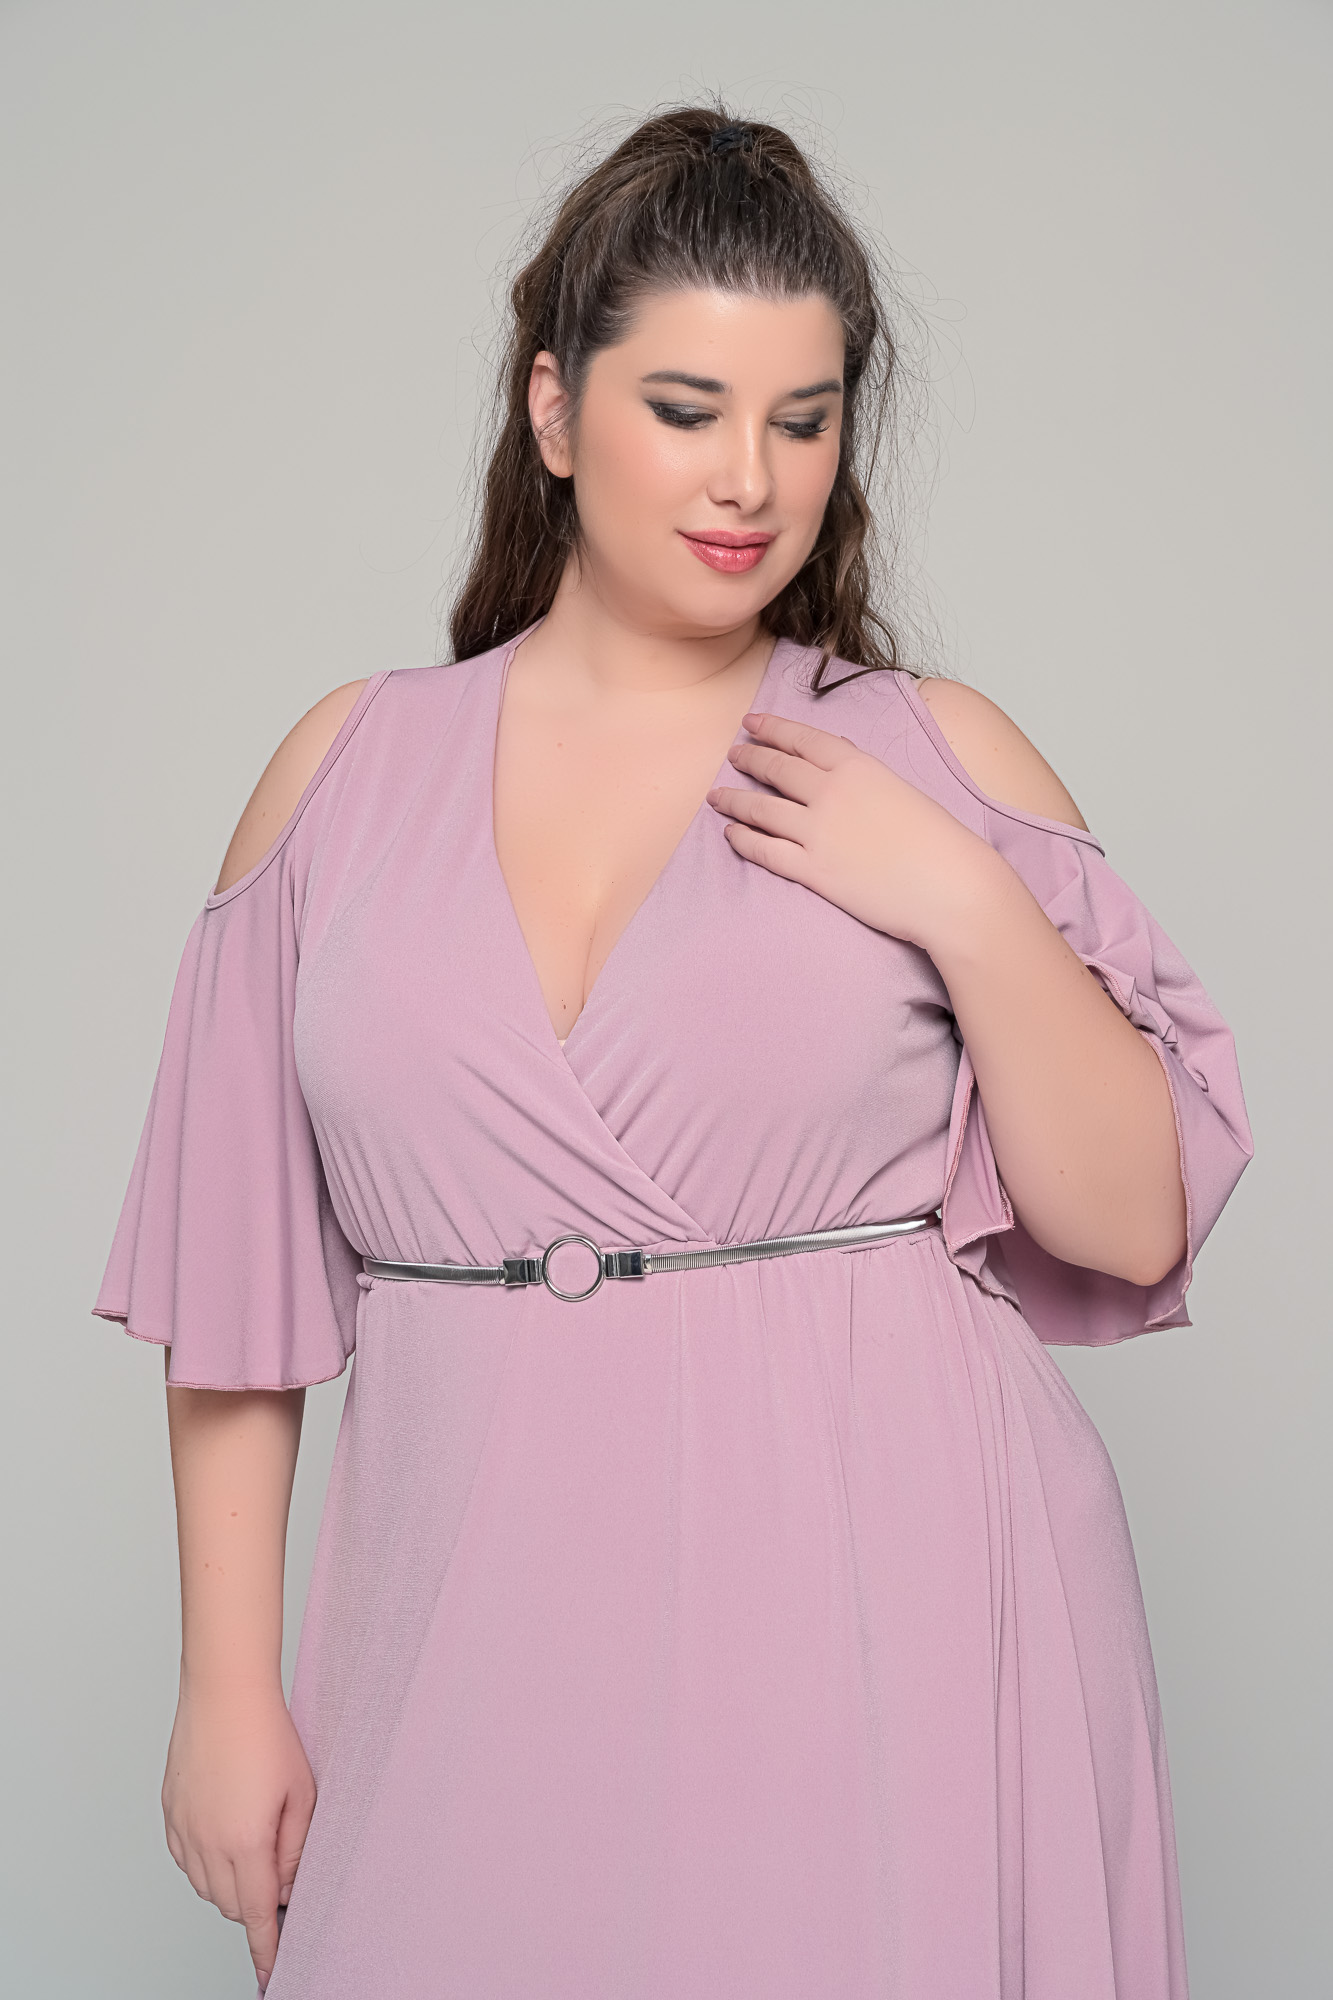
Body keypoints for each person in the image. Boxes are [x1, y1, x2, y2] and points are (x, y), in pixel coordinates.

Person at [95, 107, 1253, 1999]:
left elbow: (1128, 1221)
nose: (748, 480)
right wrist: (224, 1689)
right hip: (471, 1612)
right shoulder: (341, 776)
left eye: (803, 421)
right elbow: (233, 1298)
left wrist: (962, 898)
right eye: (688, 409)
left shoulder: (928, 753)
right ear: (553, 410)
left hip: (890, 1601)